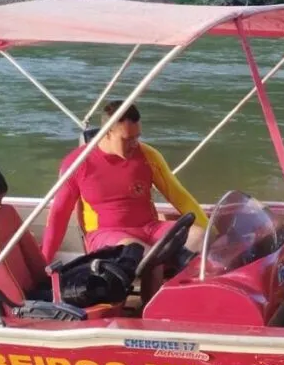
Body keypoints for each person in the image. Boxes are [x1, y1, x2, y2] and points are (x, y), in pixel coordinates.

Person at [41, 101, 208, 273]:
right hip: (105, 234)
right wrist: (43, 262)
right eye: (127, 139)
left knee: (199, 237)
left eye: (137, 137)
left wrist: (213, 232)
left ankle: (183, 292)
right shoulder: (77, 163)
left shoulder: (147, 155)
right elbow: (58, 217)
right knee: (137, 250)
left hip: (150, 228)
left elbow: (179, 196)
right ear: (106, 134)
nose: (134, 144)